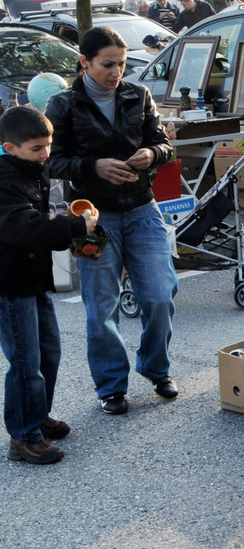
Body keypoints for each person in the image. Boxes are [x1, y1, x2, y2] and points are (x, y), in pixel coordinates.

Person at [45, 27, 180, 415]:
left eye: (121, 64)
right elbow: (49, 161)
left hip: (142, 210)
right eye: (108, 64)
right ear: (84, 62)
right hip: (90, 219)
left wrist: (152, 155)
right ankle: (111, 387)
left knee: (160, 294)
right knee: (100, 306)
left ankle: (157, 369)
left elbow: (164, 144)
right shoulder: (63, 104)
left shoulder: (138, 95)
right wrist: (92, 166)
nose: (117, 72)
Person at [0, 106, 96, 464]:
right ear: (10, 148)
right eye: (37, 148)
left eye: (49, 144)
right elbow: (24, 227)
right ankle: (23, 436)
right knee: (26, 361)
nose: (46, 153)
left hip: (33, 280)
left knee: (48, 353)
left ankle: (37, 415)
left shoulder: (30, 169)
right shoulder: (5, 180)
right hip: (9, 285)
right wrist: (73, 227)